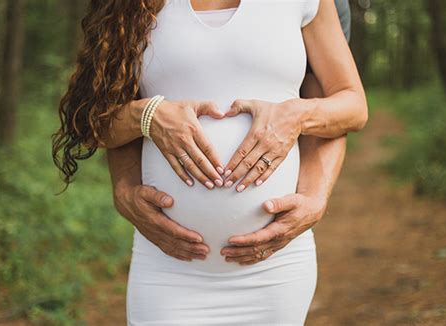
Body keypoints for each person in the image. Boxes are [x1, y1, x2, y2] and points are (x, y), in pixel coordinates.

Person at [52, 0, 366, 324]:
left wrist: (296, 115)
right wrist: (147, 116)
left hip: (275, 269)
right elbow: (90, 121)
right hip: (167, 268)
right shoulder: (128, 5)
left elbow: (352, 105)